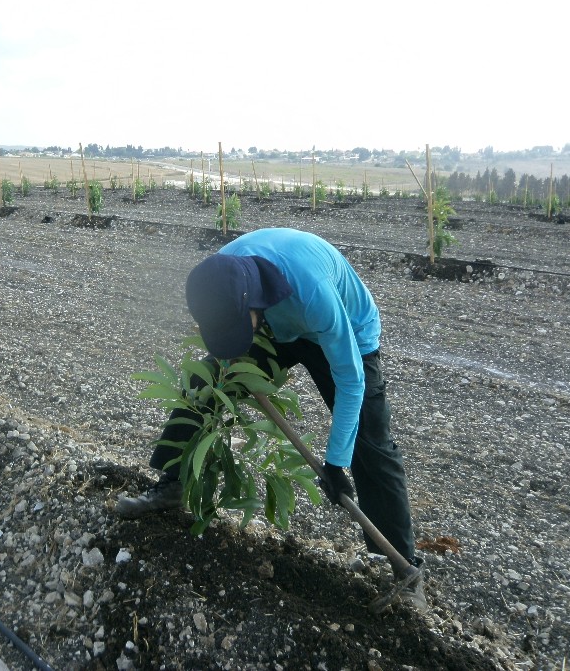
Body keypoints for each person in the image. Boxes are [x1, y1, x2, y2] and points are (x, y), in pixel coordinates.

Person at [116, 227, 426, 610]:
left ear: (251, 305)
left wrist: (335, 462)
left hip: (346, 331)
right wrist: (229, 361)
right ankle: (173, 484)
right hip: (275, 325)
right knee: (206, 382)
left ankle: (405, 569)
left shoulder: (314, 294)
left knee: (370, 445)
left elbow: (351, 378)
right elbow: (220, 332)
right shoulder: (224, 274)